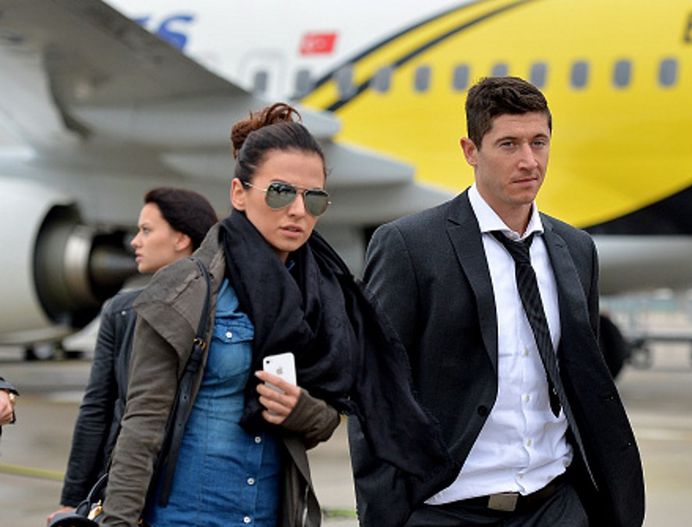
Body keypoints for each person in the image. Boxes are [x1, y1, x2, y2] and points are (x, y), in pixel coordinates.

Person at [99, 103, 449, 527]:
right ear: (238, 193)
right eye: (281, 192)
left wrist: (300, 410)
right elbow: (141, 426)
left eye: (313, 198)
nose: (298, 210)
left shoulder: (326, 300)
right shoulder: (186, 289)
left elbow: (327, 418)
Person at [360, 77, 645, 526]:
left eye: (539, 142)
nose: (529, 160)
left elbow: (584, 382)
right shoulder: (410, 247)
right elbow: (373, 389)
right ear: (470, 150)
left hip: (554, 506)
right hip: (447, 511)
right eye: (508, 144)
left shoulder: (576, 250)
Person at [49, 188, 218, 522]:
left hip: (197, 487)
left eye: (146, 230)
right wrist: (73, 499)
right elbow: (97, 408)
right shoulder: (120, 311)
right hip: (128, 487)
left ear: (181, 238)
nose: (134, 242)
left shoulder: (222, 312)